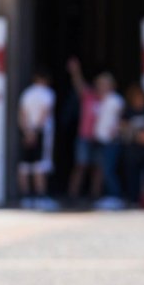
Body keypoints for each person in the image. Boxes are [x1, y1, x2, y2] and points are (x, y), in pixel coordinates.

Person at [17, 68, 57, 210]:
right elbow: (44, 113)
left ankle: (26, 198)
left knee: (25, 165)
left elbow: (21, 114)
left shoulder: (27, 93)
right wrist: (34, 131)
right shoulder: (47, 93)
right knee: (40, 164)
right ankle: (40, 197)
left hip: (26, 132)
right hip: (41, 132)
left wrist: (26, 131)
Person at [65, 58, 102, 203]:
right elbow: (79, 85)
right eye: (99, 84)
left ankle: (95, 196)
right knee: (80, 165)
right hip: (85, 136)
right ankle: (72, 195)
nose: (101, 87)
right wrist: (75, 72)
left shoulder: (109, 100)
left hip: (100, 138)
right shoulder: (88, 96)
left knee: (98, 168)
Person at [120, 85, 144, 205]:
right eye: (136, 97)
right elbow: (122, 127)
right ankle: (133, 199)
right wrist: (137, 136)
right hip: (132, 148)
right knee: (132, 175)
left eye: (140, 97)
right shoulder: (128, 111)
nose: (138, 99)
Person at [92, 72, 125, 210]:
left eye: (104, 84)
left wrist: (116, 129)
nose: (101, 87)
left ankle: (116, 197)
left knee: (109, 170)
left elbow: (122, 117)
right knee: (104, 170)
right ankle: (108, 196)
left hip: (111, 140)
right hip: (101, 140)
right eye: (99, 84)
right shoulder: (102, 100)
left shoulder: (115, 100)